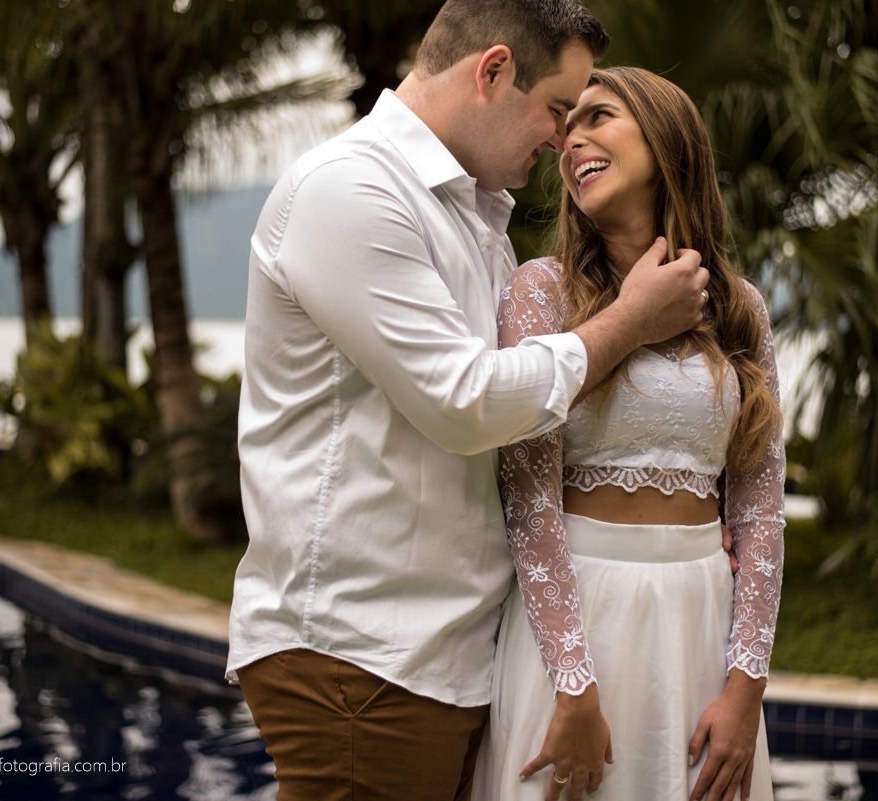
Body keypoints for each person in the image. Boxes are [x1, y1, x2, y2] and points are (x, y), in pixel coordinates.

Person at [226, 4, 715, 801]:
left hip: (446, 654)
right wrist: (633, 320)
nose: (563, 137)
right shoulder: (351, 190)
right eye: (558, 108)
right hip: (363, 654)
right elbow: (465, 403)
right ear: (491, 71)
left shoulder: (472, 214)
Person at [478, 67, 786, 801]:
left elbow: (761, 512)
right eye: (567, 124)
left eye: (599, 116)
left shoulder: (741, 309)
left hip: (701, 628)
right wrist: (574, 685)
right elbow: (530, 503)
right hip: (576, 627)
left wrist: (745, 692)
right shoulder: (539, 292)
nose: (570, 138)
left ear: (666, 140)